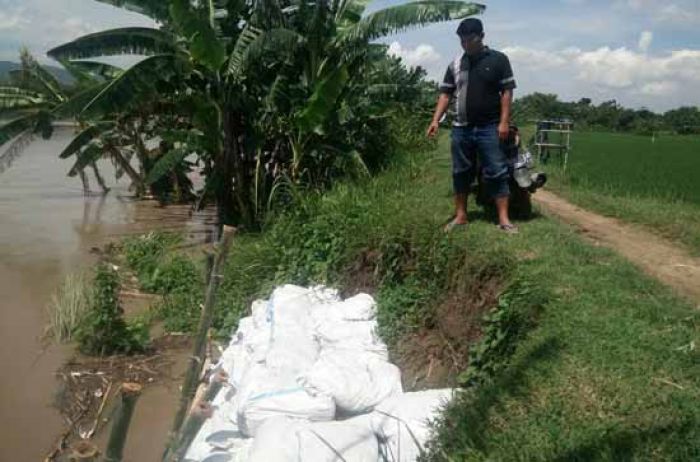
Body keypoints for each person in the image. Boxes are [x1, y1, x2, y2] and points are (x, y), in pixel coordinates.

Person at [427, 18, 518, 233]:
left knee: (496, 171)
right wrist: (435, 120)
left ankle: (504, 219)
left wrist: (504, 122)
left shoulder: (498, 60)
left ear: (482, 36)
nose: (466, 44)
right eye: (462, 40)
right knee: (461, 171)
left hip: (490, 127)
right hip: (461, 128)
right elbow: (446, 94)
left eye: (470, 39)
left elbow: (507, 92)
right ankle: (461, 216)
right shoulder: (455, 64)